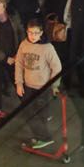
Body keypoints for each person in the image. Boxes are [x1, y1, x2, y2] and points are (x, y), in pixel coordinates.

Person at [14, 20, 62, 150]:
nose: (32, 36)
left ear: (41, 33)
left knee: (39, 115)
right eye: (30, 32)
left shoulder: (47, 48)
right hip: (27, 86)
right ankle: (40, 135)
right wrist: (19, 83)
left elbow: (57, 67)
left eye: (36, 33)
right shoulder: (24, 44)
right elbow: (18, 63)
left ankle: (45, 138)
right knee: (29, 113)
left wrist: (53, 85)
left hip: (42, 88)